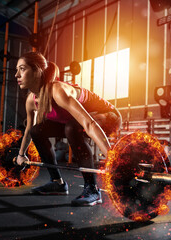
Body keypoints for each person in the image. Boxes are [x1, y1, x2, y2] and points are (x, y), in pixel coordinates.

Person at [14, 51, 122, 206]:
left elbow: (89, 124)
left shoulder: (57, 90)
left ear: (37, 71)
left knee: (72, 128)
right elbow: (29, 129)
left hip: (108, 117)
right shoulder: (31, 100)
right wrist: (21, 154)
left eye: (22, 69)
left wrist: (113, 159)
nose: (16, 74)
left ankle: (92, 189)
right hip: (75, 123)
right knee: (37, 130)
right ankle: (57, 182)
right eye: (17, 69)